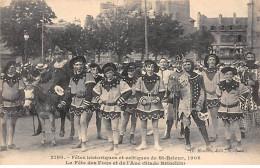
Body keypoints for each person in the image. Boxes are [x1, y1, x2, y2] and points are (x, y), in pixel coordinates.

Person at [93, 63, 132, 155]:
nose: (109, 75)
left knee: (114, 127)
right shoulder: (101, 83)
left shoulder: (119, 82)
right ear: (105, 74)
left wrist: (121, 100)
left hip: (115, 107)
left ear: (113, 73)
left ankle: (116, 145)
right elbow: (94, 91)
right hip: (105, 107)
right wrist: (98, 99)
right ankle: (110, 144)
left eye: (111, 72)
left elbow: (128, 91)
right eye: (107, 73)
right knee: (107, 127)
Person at [59, 56, 95, 152]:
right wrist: (63, 101)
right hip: (75, 102)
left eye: (80, 64)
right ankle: (80, 140)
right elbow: (69, 91)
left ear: (83, 65)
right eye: (77, 65)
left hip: (84, 101)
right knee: (77, 122)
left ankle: (84, 143)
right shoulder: (72, 78)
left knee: (83, 122)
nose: (79, 66)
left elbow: (90, 91)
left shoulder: (88, 76)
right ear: (74, 66)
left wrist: (87, 102)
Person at [178, 59, 212, 151]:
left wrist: (200, 104)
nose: (187, 66)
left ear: (192, 65)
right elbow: (178, 93)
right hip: (185, 105)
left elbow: (202, 92)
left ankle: (208, 144)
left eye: (188, 64)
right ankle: (187, 143)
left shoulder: (198, 77)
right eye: (184, 64)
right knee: (186, 124)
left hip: (197, 105)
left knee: (201, 124)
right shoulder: (180, 78)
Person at [217, 67, 250, 151]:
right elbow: (217, 93)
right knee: (226, 127)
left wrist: (240, 100)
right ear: (224, 75)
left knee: (236, 127)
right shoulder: (221, 84)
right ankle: (228, 144)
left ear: (233, 75)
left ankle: (239, 144)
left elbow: (246, 91)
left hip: (234, 109)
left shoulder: (238, 84)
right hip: (223, 109)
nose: (228, 76)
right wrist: (220, 99)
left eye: (230, 74)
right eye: (226, 74)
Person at [135, 60, 165, 151]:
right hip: (143, 103)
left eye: (152, 67)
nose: (150, 69)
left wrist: (158, 98)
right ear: (145, 68)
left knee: (155, 125)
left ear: (154, 68)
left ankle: (156, 143)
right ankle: (143, 143)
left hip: (155, 102)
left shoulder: (159, 78)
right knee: (143, 125)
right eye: (148, 67)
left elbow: (162, 92)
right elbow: (137, 92)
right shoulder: (141, 79)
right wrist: (141, 99)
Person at [0, 61, 25, 151]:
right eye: (10, 67)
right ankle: (3, 144)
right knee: (3, 124)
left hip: (15, 104)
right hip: (4, 104)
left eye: (13, 67)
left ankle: (10, 143)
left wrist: (23, 101)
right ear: (7, 68)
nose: (12, 68)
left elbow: (21, 90)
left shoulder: (18, 78)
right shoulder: (2, 78)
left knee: (12, 124)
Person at [201, 54, 222, 142]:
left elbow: (221, 84)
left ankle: (214, 134)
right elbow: (201, 85)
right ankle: (208, 134)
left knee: (214, 116)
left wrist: (217, 93)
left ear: (216, 61)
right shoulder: (203, 73)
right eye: (210, 59)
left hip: (215, 97)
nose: (212, 61)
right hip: (206, 97)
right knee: (206, 116)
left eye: (213, 59)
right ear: (207, 61)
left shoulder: (219, 72)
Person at [239, 52, 260, 137]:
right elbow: (237, 81)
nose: (250, 59)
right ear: (245, 58)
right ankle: (242, 130)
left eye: (252, 57)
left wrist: (254, 84)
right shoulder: (241, 68)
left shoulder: (258, 69)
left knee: (257, 111)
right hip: (244, 93)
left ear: (254, 58)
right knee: (242, 111)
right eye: (248, 57)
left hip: (255, 93)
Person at [119, 62, 138, 145]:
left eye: (132, 70)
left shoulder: (137, 80)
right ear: (127, 71)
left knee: (134, 120)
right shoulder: (123, 80)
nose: (131, 72)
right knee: (125, 120)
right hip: (126, 101)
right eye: (129, 70)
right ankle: (121, 136)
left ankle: (132, 136)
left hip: (135, 101)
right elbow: (120, 91)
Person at [156, 58, 174, 139]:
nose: (163, 64)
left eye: (164, 62)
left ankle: (167, 132)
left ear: (167, 63)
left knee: (167, 114)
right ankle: (154, 129)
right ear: (158, 63)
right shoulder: (156, 73)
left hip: (166, 95)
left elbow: (171, 85)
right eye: (161, 62)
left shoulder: (170, 73)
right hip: (157, 95)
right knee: (155, 112)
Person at [167, 61, 185, 140]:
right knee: (170, 115)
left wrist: (180, 91)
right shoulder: (171, 74)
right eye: (177, 64)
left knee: (182, 114)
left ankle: (182, 132)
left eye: (180, 64)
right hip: (173, 97)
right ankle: (168, 132)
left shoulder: (185, 74)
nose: (178, 65)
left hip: (183, 97)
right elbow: (169, 86)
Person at [88, 63, 106, 140]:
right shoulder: (88, 78)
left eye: (96, 70)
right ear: (90, 70)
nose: (95, 71)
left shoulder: (101, 78)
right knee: (88, 118)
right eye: (93, 69)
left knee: (99, 118)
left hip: (99, 101)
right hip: (90, 101)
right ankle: (84, 135)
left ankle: (99, 134)